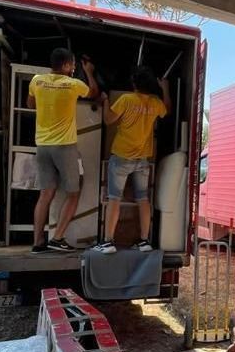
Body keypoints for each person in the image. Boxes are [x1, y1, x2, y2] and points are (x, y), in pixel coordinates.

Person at [27, 48, 100, 253]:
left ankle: (37, 242)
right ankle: (58, 238)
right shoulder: (73, 84)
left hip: (42, 146)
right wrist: (89, 72)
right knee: (74, 193)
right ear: (67, 65)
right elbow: (94, 92)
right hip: (64, 147)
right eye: (73, 64)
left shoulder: (36, 81)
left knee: (45, 195)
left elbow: (30, 104)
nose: (74, 67)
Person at [93, 65, 171, 253]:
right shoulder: (154, 103)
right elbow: (167, 109)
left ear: (134, 83)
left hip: (121, 157)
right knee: (143, 199)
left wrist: (104, 101)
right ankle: (144, 241)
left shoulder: (126, 99)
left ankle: (108, 242)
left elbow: (109, 120)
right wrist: (165, 88)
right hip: (142, 160)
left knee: (114, 199)